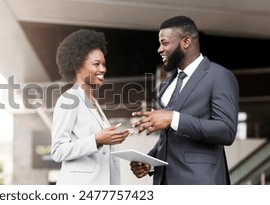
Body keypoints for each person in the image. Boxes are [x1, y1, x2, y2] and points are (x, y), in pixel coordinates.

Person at [129, 16, 239, 185]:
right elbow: (171, 139)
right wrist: (150, 160)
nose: (159, 49)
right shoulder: (166, 85)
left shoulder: (219, 76)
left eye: (164, 43)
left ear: (186, 41)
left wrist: (173, 118)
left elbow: (226, 131)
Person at [51, 29, 131, 185]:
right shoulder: (69, 99)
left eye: (103, 64)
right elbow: (58, 151)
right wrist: (96, 140)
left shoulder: (92, 102)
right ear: (78, 67)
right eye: (96, 64)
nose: (103, 69)